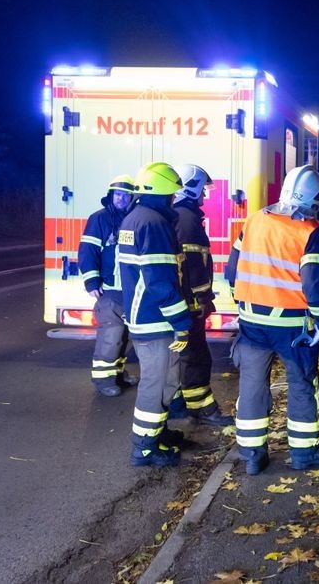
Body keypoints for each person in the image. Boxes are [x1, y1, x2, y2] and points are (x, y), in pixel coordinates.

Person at [226, 164, 319, 475]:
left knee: (251, 385)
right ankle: (304, 454)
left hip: (251, 324)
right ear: (316, 199)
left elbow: (231, 272)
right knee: (302, 384)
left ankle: (251, 454)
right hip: (292, 328)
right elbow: (315, 286)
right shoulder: (311, 232)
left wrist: (244, 302)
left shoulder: (254, 220)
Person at [118, 162, 194, 467]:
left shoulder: (135, 218)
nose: (175, 199)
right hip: (155, 320)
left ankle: (157, 434)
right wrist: (181, 322)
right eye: (172, 194)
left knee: (163, 380)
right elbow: (160, 280)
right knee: (156, 382)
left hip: (144, 317)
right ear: (164, 194)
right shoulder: (153, 224)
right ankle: (145, 448)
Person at [168, 164, 234, 427]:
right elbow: (192, 266)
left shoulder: (182, 216)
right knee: (196, 356)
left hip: (186, 302)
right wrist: (202, 299)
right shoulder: (186, 219)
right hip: (190, 303)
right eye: (202, 190)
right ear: (191, 188)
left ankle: (181, 404)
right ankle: (202, 409)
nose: (205, 196)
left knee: (188, 355)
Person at [79, 174, 138, 397]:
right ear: (111, 195)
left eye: (126, 195)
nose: (121, 199)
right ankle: (103, 380)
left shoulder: (134, 218)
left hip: (130, 290)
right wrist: (92, 281)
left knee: (124, 337)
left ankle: (118, 374)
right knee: (110, 336)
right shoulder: (99, 219)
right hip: (110, 289)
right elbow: (88, 251)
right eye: (118, 194)